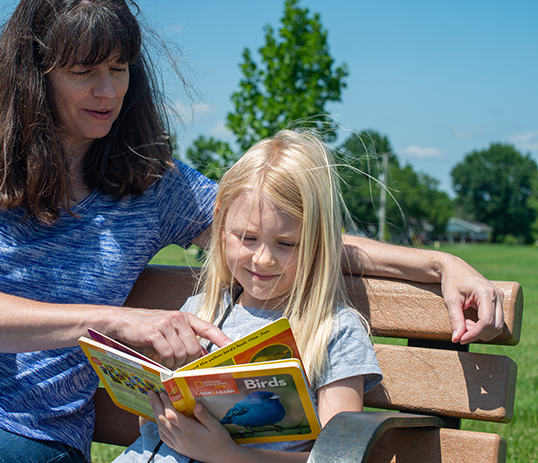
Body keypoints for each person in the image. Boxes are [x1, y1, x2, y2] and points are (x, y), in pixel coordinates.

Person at [0, 0, 502, 462]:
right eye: (85, 71)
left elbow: (279, 228)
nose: (109, 91)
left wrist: (438, 263)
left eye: (119, 69)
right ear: (35, 74)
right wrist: (113, 320)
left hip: (26, 429)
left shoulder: (151, 184)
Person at [113, 130, 382, 463]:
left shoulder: (333, 331)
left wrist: (229, 455)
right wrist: (158, 387)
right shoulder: (200, 311)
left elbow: (335, 459)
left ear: (318, 243)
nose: (263, 259)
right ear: (221, 225)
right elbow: (150, 428)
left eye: (286, 243)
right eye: (248, 238)